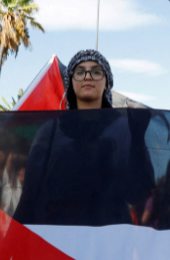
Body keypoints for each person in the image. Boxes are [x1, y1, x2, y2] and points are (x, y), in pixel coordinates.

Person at [13, 50, 155, 226]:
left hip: (109, 240)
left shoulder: (126, 129)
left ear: (106, 83)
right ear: (71, 82)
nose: (88, 77)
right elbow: (29, 197)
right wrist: (8, 246)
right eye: (80, 72)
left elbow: (138, 194)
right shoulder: (50, 131)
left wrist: (138, 138)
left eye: (96, 72)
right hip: (57, 240)